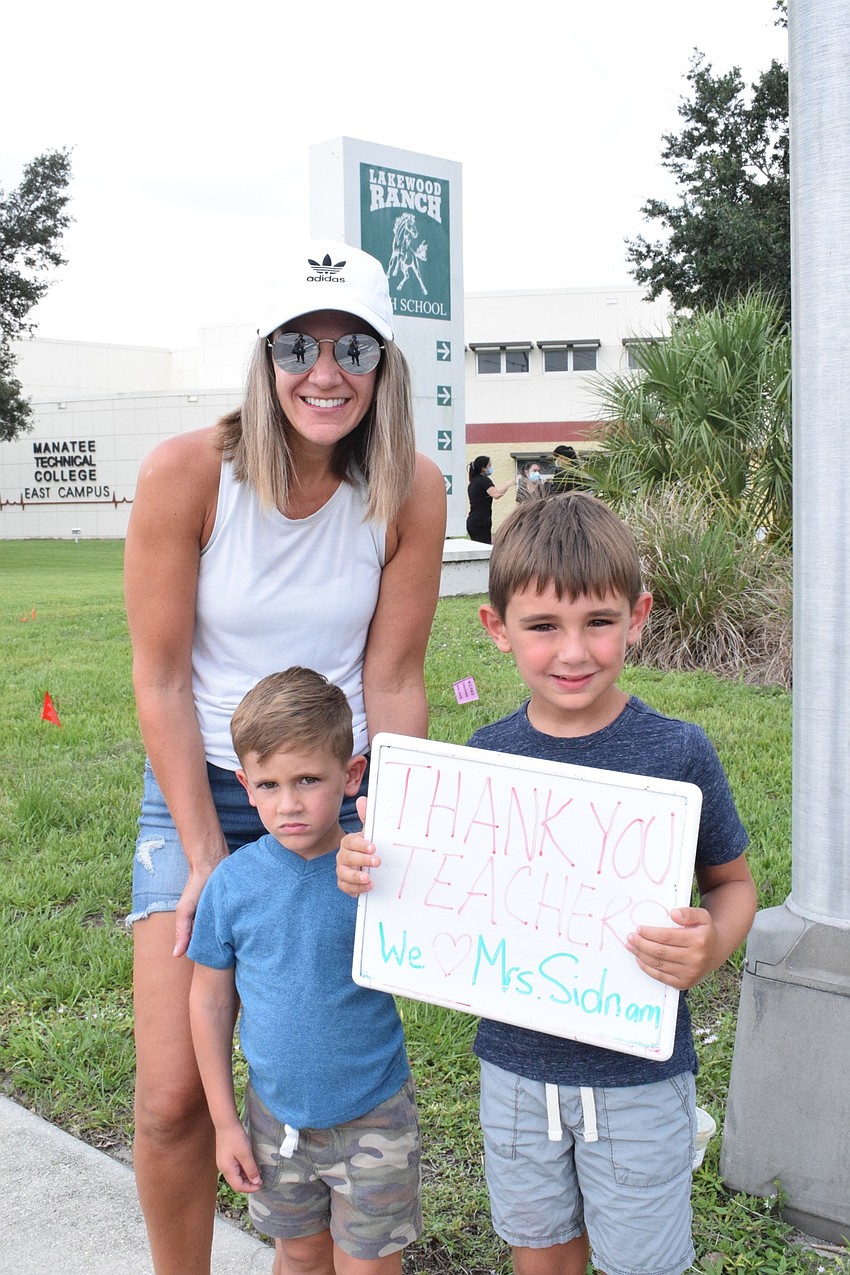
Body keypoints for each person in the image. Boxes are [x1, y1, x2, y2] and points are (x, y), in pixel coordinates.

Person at [124, 238, 446, 1275]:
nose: (326, 371)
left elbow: (393, 677)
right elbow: (162, 679)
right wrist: (213, 851)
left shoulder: (411, 488)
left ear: (384, 364)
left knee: (329, 1049)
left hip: (340, 791)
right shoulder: (188, 475)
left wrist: (389, 829)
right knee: (173, 1095)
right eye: (298, 345)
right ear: (264, 360)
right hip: (202, 790)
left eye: (354, 346)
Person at [338, 493, 757, 1275]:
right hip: (516, 1071)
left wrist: (713, 943)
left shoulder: (677, 753)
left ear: (638, 616)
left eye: (599, 621)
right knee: (539, 1250)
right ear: (498, 629)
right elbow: (423, 882)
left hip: (639, 1071)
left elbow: (733, 885)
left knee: (643, 1261)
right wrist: (365, 864)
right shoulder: (481, 761)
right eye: (543, 626)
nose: (574, 651)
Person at [188, 667, 421, 1275]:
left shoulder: (376, 868)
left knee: (367, 1265)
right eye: (268, 784)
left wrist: (389, 871)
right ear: (244, 784)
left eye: (308, 780)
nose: (287, 803)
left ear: (351, 775)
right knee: (299, 1255)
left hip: (374, 1112)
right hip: (275, 1119)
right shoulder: (232, 885)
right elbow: (210, 1000)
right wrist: (223, 1122)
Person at [466, 454, 514, 543]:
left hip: (473, 521)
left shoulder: (473, 482)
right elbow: (496, 494)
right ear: (483, 468)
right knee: (483, 548)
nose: (491, 468)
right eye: (489, 466)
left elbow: (495, 492)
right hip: (481, 522)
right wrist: (508, 484)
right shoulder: (484, 480)